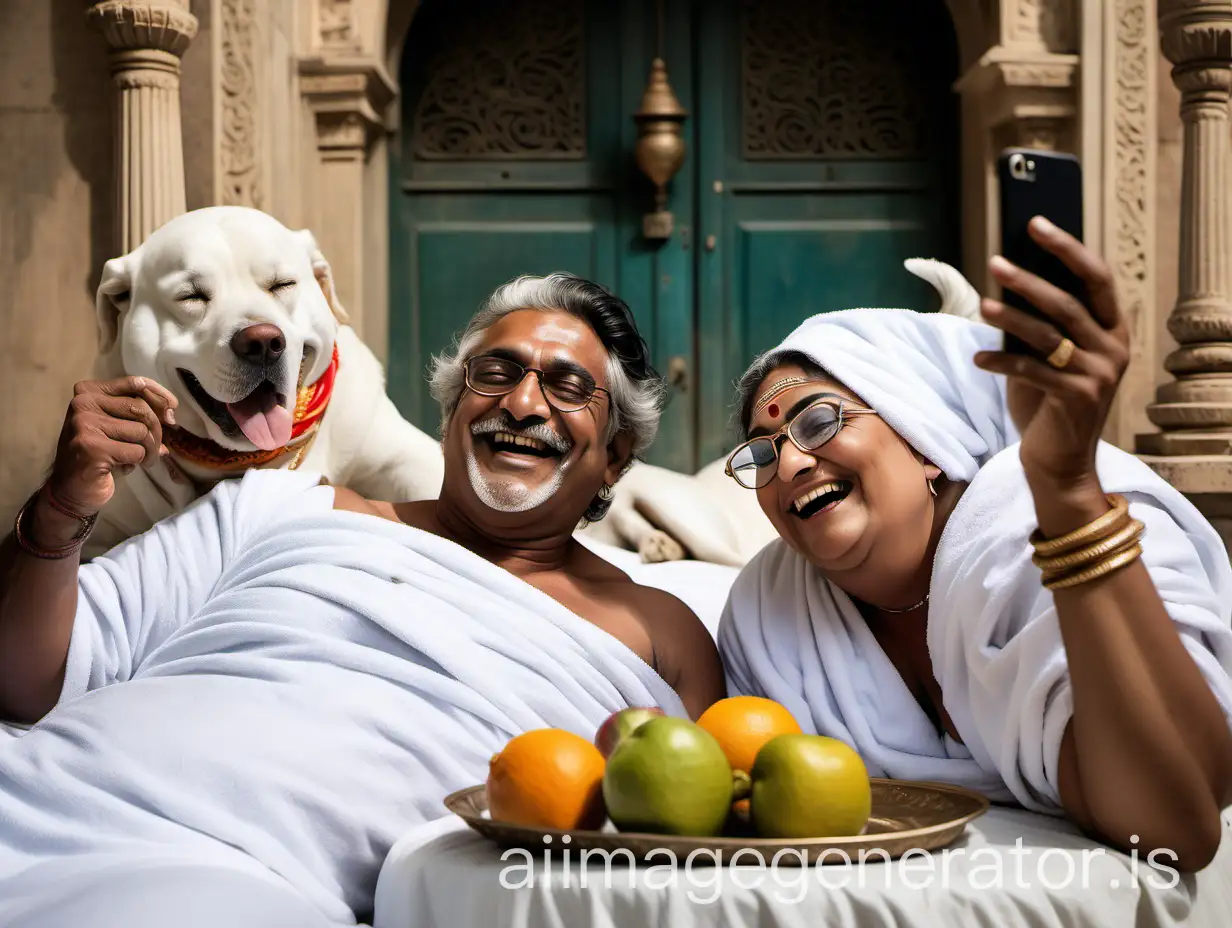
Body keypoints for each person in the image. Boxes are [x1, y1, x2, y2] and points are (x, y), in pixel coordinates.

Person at [0, 272, 724, 927]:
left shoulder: (658, 634)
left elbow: (693, 834)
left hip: (223, 881)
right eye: (494, 372)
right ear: (451, 408)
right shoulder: (279, 507)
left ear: (617, 455)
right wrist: (62, 509)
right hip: (37, 787)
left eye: (567, 387)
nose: (521, 401)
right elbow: (25, 680)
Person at [717, 217, 1232, 872]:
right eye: (761, 455)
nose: (788, 465)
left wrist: (1070, 498)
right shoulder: (770, 610)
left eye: (819, 421)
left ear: (925, 439)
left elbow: (1176, 826)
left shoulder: (1026, 525)